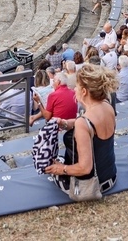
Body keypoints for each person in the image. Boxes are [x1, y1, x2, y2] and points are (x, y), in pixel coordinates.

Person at [44, 63, 118, 195]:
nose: (74, 89)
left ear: (84, 91)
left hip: (92, 186)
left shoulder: (83, 123)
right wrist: (66, 123)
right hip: (111, 177)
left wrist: (61, 169)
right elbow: (91, 123)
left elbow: (84, 168)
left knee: (51, 166)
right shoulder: (107, 105)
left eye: (76, 86)